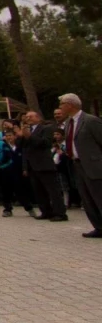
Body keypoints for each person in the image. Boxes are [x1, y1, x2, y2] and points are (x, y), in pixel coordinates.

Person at [58, 93, 102, 238]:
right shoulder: (68, 123)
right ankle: (99, 227)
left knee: (98, 196)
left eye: (62, 104)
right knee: (87, 199)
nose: (60, 107)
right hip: (77, 165)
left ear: (70, 105)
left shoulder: (90, 121)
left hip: (94, 166)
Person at [22, 111, 67, 222]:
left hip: (44, 164)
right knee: (38, 191)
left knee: (53, 191)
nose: (28, 118)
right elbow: (22, 146)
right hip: (32, 165)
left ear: (38, 117)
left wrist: (30, 136)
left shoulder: (46, 128)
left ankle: (60, 213)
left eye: (31, 116)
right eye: (26, 117)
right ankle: (46, 211)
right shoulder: (27, 130)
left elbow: (45, 143)